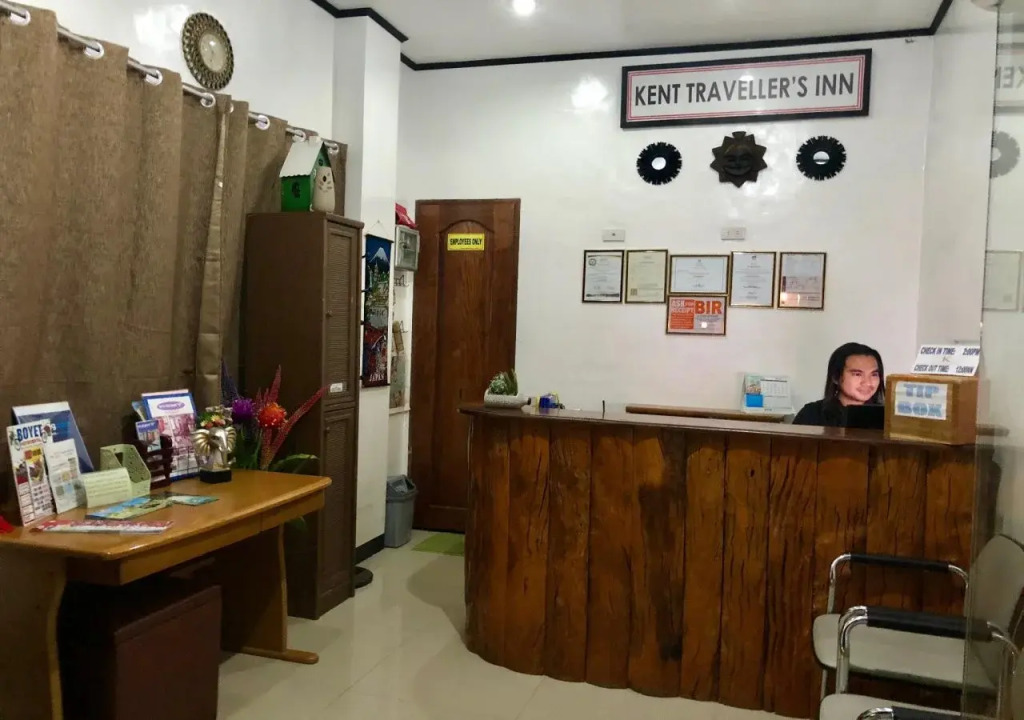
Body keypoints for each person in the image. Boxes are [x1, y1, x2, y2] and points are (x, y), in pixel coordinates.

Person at [793, 343, 885, 427]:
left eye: (874, 375)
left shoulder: (886, 417)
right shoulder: (811, 413)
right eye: (857, 374)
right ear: (836, 377)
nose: (868, 382)